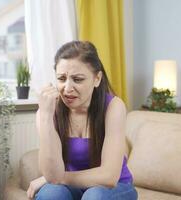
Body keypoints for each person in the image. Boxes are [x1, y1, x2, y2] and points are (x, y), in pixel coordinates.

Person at [27, 41, 137, 200]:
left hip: (115, 188)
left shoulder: (114, 107)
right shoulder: (48, 112)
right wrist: (45, 116)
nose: (67, 88)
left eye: (77, 79)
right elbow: (51, 174)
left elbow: (109, 177)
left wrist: (54, 178)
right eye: (61, 78)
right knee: (51, 193)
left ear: (97, 79)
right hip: (73, 188)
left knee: (94, 196)